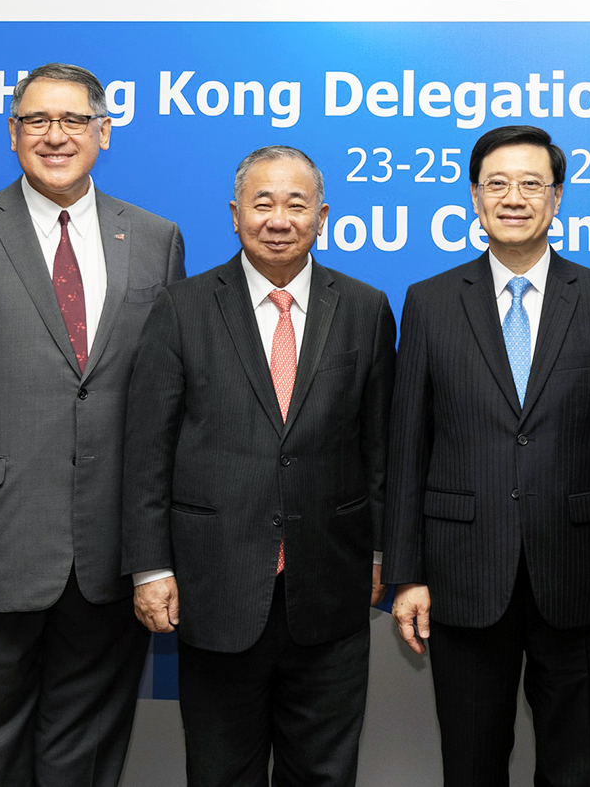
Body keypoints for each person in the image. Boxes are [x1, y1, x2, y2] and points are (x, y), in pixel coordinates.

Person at [0, 62, 185, 786]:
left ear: (104, 133)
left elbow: (171, 402)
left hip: (112, 550)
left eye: (74, 120)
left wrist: (161, 548)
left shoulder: (155, 238)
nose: (55, 135)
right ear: (12, 134)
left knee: (86, 757)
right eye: (36, 121)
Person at [385, 125, 590, 787]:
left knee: (575, 764)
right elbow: (406, 445)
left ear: (556, 197)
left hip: (580, 575)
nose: (514, 197)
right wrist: (407, 572)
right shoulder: (428, 301)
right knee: (472, 764)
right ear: (474, 197)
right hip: (463, 574)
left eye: (532, 183)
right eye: (497, 184)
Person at [123, 145, 394, 787]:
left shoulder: (365, 307)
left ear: (322, 216)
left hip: (330, 588)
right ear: (235, 213)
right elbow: (146, 452)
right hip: (213, 586)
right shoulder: (182, 307)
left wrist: (382, 556)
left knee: (324, 773)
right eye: (262, 202)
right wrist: (151, 567)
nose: (279, 218)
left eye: (296, 203)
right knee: (220, 773)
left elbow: (380, 449)